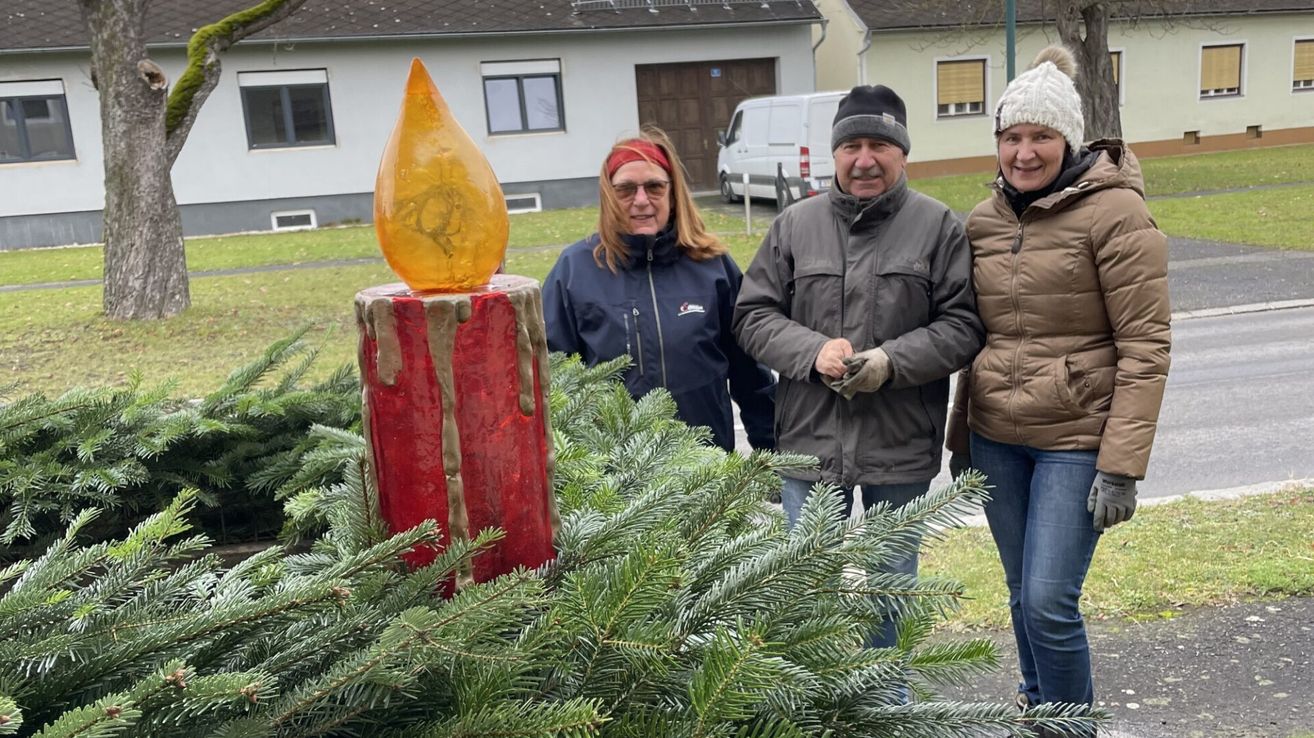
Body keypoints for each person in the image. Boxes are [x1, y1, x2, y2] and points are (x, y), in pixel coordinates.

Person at [945, 45, 1171, 723]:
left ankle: (1069, 726)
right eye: (1011, 137)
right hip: (997, 441)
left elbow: (1146, 346)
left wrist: (1122, 468)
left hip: (1076, 442)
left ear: (1068, 139)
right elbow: (971, 334)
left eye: (1040, 136)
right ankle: (1039, 707)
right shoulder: (984, 222)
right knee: (1019, 593)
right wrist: (962, 437)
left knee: (1048, 598)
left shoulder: (1116, 215)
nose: (1023, 152)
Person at [733, 84, 984, 649]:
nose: (863, 159)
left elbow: (963, 326)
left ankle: (884, 698)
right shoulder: (795, 225)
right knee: (809, 585)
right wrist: (811, 351)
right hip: (809, 441)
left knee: (891, 586)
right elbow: (752, 316)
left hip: (900, 444)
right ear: (835, 153)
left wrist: (890, 362)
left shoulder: (938, 227)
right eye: (851, 146)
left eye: (878, 145)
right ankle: (817, 698)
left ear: (902, 153)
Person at [543, 127, 776, 453]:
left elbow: (749, 371)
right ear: (609, 196)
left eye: (654, 186)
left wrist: (771, 453)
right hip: (612, 477)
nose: (641, 200)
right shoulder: (573, 271)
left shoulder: (712, 266)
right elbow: (552, 383)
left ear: (672, 192)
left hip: (707, 467)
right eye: (626, 189)